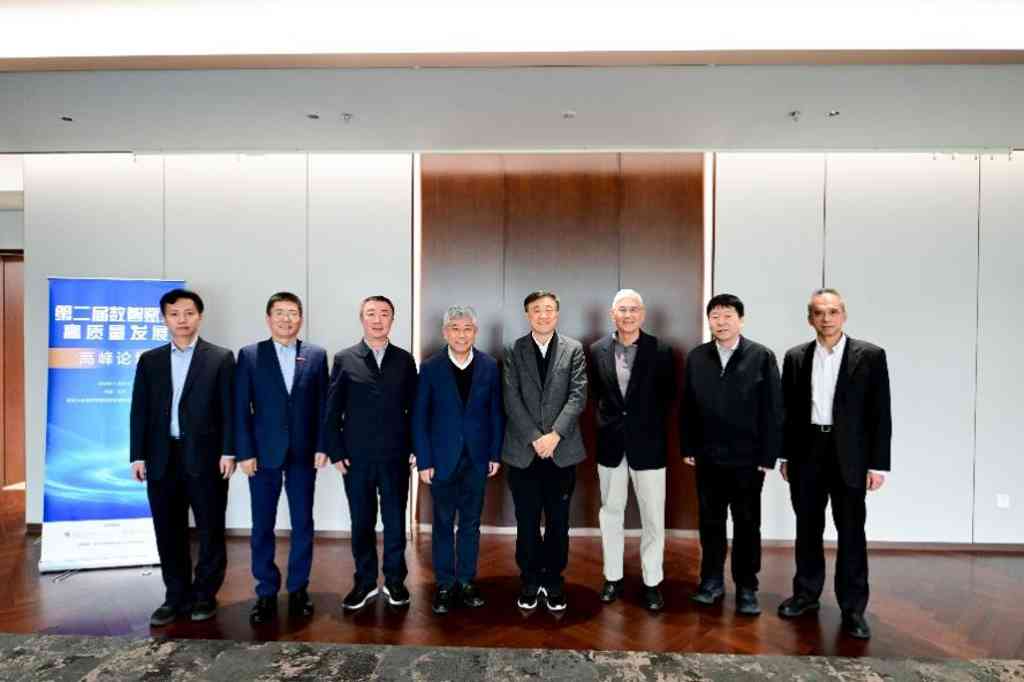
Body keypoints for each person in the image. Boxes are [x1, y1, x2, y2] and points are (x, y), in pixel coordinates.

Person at [777, 288, 892, 640]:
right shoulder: (795, 357)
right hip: (807, 451)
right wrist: (785, 456)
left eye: (832, 311)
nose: (826, 318)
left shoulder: (870, 356)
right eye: (818, 312)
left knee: (851, 532)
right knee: (807, 528)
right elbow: (787, 412)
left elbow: (880, 413)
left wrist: (878, 465)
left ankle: (853, 608)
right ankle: (806, 595)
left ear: (843, 314)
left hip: (850, 456)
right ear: (809, 318)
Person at [129, 288, 235, 626]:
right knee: (168, 529)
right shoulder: (150, 360)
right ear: (164, 319)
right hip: (162, 457)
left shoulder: (220, 358)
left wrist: (229, 451)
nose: (182, 320)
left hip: (207, 458)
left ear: (199, 316)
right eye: (174, 314)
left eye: (189, 313)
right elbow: (139, 410)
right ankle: (174, 596)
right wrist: (137, 455)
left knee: (210, 529)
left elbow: (230, 411)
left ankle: (205, 595)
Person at [681, 293, 782, 616]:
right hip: (708, 456)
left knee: (747, 524)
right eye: (715, 316)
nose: (721, 322)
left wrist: (769, 456)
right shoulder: (697, 357)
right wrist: (688, 447)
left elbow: (773, 408)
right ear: (709, 321)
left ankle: (747, 587)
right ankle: (711, 582)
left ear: (741, 320)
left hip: (747, 459)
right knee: (710, 522)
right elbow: (687, 406)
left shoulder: (761, 356)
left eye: (727, 316)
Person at [234, 292, 329, 624]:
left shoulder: (316, 355)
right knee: (262, 524)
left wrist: (322, 446)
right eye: (280, 313)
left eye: (292, 313)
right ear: (268, 318)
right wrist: (244, 451)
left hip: (304, 452)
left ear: (300, 318)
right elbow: (240, 408)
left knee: (303, 522)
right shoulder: (250, 355)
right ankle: (266, 592)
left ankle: (299, 588)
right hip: (262, 454)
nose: (286, 319)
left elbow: (324, 406)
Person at [324, 295, 418, 610]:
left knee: (394, 522)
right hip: (357, 457)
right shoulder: (344, 358)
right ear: (361, 318)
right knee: (362, 521)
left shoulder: (404, 360)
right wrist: (336, 451)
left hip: (395, 456)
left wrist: (415, 448)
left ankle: (395, 581)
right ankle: (364, 582)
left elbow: (416, 409)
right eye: (371, 314)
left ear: (393, 319)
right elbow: (332, 409)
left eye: (384, 314)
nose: (378, 320)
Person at [412, 305, 504, 614]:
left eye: (467, 329)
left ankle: (466, 581)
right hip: (441, 460)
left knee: (470, 523)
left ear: (475, 332)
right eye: (455, 328)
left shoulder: (489, 366)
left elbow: (496, 413)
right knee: (441, 523)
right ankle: (444, 584)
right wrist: (424, 460)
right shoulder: (430, 367)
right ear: (445, 332)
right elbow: (420, 417)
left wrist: (494, 453)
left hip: (477, 459)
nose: (461, 335)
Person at [590, 289, 676, 611]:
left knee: (653, 517)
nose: (628, 315)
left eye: (633, 309)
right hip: (611, 445)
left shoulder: (661, 350)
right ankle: (612, 578)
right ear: (612, 314)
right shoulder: (596, 350)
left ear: (643, 314)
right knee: (611, 514)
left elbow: (668, 398)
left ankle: (652, 582)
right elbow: (595, 395)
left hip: (649, 446)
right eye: (622, 310)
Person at [502, 290, 587, 612]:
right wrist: (535, 437)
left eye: (549, 309)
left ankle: (553, 580)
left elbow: (578, 395)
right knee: (526, 520)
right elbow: (510, 397)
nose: (543, 315)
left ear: (557, 313)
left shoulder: (573, 349)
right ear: (528, 315)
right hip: (524, 451)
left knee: (558, 521)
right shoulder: (513, 350)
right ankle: (528, 579)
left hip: (561, 450)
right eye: (536, 310)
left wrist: (555, 435)